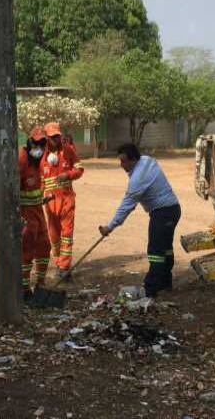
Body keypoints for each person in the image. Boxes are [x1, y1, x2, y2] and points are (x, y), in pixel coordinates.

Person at [99, 144, 181, 298]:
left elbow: (126, 206)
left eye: (124, 161)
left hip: (163, 213)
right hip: (172, 209)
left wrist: (109, 227)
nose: (121, 165)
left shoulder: (137, 179)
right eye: (120, 161)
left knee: (156, 252)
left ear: (133, 159)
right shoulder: (146, 160)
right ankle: (165, 282)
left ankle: (150, 288)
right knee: (165, 248)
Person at [41, 122, 84, 279]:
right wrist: (40, 196)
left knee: (67, 233)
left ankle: (64, 267)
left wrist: (68, 175)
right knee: (53, 235)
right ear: (47, 138)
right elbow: (39, 178)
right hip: (50, 201)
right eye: (52, 137)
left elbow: (79, 169)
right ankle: (58, 260)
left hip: (67, 198)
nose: (55, 140)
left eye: (57, 136)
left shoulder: (68, 151)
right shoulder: (41, 155)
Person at [18, 127, 51, 298]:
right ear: (29, 142)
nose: (39, 148)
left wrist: (43, 198)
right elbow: (12, 191)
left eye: (42, 144)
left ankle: (40, 284)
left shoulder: (38, 160)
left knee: (44, 246)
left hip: (38, 210)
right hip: (25, 213)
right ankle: (24, 289)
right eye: (36, 144)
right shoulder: (21, 160)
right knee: (27, 251)